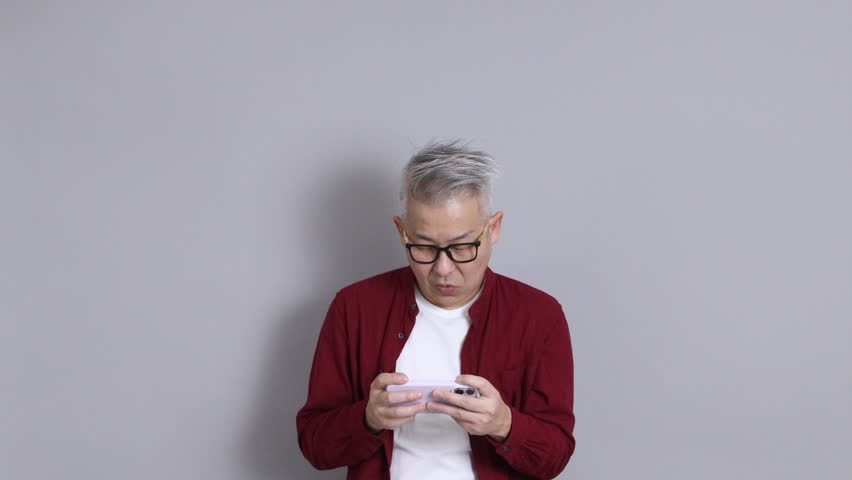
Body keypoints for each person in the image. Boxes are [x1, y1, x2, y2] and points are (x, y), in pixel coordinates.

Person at [296, 140, 575, 479]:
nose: (443, 269)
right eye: (424, 248)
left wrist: (504, 423)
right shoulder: (354, 307)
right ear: (402, 232)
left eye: (462, 247)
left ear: (494, 229)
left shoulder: (538, 314)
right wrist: (367, 418)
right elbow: (315, 446)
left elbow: (554, 458)